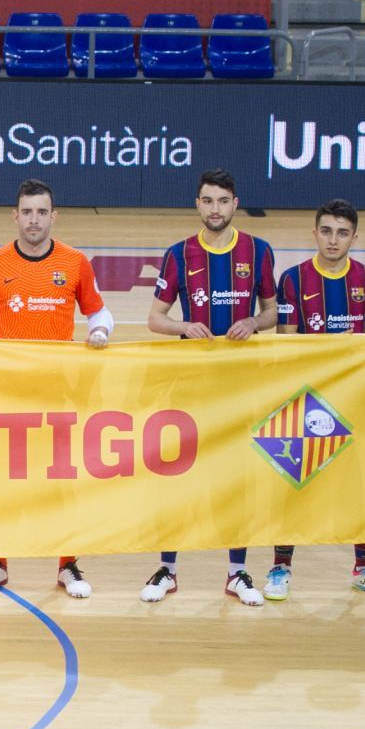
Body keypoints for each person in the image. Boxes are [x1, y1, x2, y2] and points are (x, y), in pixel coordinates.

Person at [0, 179, 114, 599]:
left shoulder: (76, 262)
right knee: (3, 481)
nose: (34, 220)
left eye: (42, 212)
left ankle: (68, 564)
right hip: (6, 394)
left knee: (60, 480)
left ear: (53, 217)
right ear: (15, 216)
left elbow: (100, 314)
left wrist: (99, 332)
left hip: (58, 393)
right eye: (27, 212)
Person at [265, 199, 365, 602]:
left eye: (342, 232)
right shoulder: (293, 279)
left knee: (362, 484)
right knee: (294, 483)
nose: (333, 240)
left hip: (357, 399)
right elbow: (287, 340)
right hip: (307, 400)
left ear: (354, 237)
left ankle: (364, 567)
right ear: (314, 233)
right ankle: (280, 566)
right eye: (326, 231)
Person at [142, 169, 278, 606]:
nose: (214, 209)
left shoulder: (258, 251)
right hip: (192, 385)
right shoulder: (179, 254)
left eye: (222, 200)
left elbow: (274, 311)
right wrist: (185, 326)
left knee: (236, 480)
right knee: (178, 477)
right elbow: (155, 318)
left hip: (241, 384)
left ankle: (237, 573)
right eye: (206, 201)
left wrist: (254, 321)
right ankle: (167, 569)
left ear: (235, 203)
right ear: (197, 205)